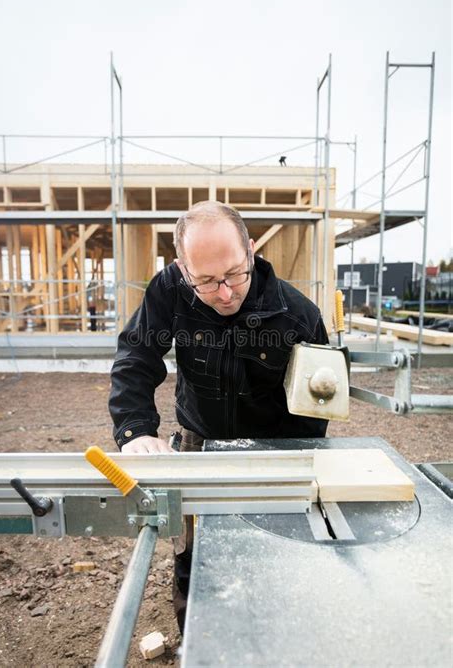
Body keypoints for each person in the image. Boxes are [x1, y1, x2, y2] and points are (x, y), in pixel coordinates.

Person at [109, 200, 329, 631]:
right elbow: (136, 356)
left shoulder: (298, 315)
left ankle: (275, 636)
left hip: (274, 447)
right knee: (194, 554)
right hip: (199, 440)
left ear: (250, 250)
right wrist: (135, 429)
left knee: (274, 549)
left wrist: (290, 473)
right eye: (206, 282)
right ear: (181, 268)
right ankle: (197, 639)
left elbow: (313, 415)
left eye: (233, 275)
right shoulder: (169, 290)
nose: (225, 293)